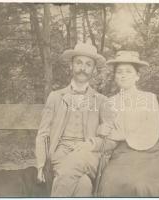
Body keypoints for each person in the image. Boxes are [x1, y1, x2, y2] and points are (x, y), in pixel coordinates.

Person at [35, 43, 116, 197]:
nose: (83, 68)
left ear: (93, 69)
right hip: (60, 153)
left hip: (88, 155)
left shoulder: (101, 100)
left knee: (70, 169)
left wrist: (91, 144)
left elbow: (111, 140)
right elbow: (43, 133)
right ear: (71, 65)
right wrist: (40, 165)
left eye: (88, 64)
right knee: (83, 184)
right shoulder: (55, 97)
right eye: (78, 62)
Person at [97, 51, 159, 197]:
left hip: (150, 153)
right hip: (122, 154)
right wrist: (101, 130)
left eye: (128, 71)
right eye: (119, 72)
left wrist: (122, 134)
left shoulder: (149, 99)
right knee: (112, 182)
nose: (123, 75)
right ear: (115, 76)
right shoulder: (110, 102)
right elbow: (109, 133)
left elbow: (151, 129)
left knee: (141, 184)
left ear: (137, 76)